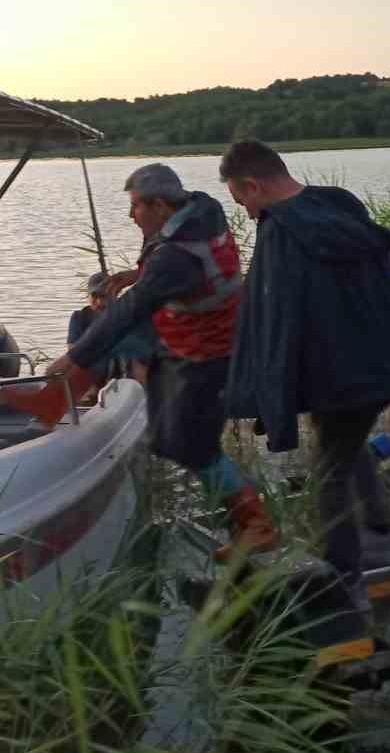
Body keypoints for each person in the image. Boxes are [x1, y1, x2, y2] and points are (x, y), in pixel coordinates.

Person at [218, 138, 390, 582]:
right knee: (345, 446)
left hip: (338, 378)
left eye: (241, 201)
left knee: (329, 471)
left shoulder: (282, 231)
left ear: (252, 185)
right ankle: (380, 533)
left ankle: (345, 573)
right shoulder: (337, 207)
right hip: (376, 367)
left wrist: (266, 394)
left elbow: (277, 323)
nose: (246, 213)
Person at [47, 163, 276, 557]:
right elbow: (171, 269)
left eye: (135, 206)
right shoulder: (201, 211)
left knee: (185, 445)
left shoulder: (175, 255)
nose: (130, 215)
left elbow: (130, 309)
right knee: (172, 439)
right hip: (191, 347)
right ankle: (242, 513)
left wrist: (74, 356)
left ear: (158, 205)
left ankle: (255, 520)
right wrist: (138, 272)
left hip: (208, 355)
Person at [66, 270, 156, 387]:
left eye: (104, 296)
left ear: (114, 295)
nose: (99, 302)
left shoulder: (126, 315)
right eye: (94, 296)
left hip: (124, 372)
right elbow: (73, 351)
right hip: (91, 371)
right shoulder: (79, 317)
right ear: (88, 296)